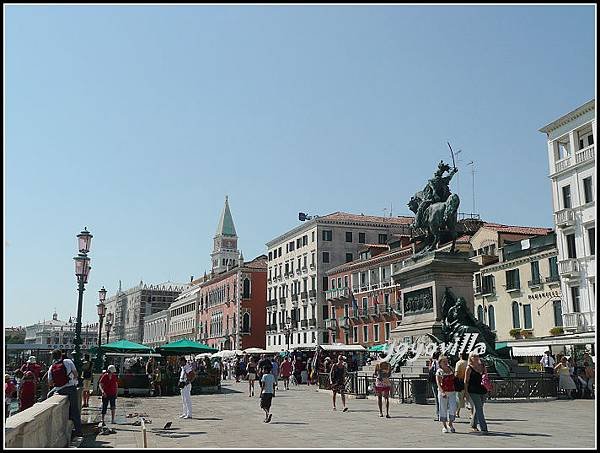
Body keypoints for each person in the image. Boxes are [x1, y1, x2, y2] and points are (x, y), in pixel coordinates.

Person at [47, 349, 83, 437]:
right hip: (71, 387)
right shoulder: (68, 361)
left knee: (49, 395)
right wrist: (72, 380)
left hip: (59, 390)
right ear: (61, 355)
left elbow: (50, 382)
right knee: (75, 409)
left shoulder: (52, 366)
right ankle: (78, 431)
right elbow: (76, 374)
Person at [464, 352, 488, 434]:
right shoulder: (469, 368)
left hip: (483, 389)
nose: (476, 357)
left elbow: (486, 377)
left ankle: (473, 425)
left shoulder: (483, 366)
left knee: (479, 408)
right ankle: (484, 428)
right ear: (470, 358)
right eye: (474, 356)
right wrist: (466, 392)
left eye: (477, 356)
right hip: (473, 390)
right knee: (479, 408)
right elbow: (466, 381)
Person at [436, 356, 457, 433]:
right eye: (443, 361)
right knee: (443, 408)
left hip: (452, 392)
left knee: (453, 408)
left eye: (446, 361)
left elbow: (454, 378)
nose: (445, 363)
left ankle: (450, 423)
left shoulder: (451, 369)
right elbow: (438, 383)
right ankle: (444, 426)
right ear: (440, 363)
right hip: (443, 392)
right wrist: (442, 392)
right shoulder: (439, 371)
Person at [428, 351, 441, 421]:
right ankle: (442, 414)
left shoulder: (434, 362)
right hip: (441, 381)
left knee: (437, 397)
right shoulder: (441, 362)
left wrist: (430, 362)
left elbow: (430, 370)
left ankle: (439, 414)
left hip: (435, 381)